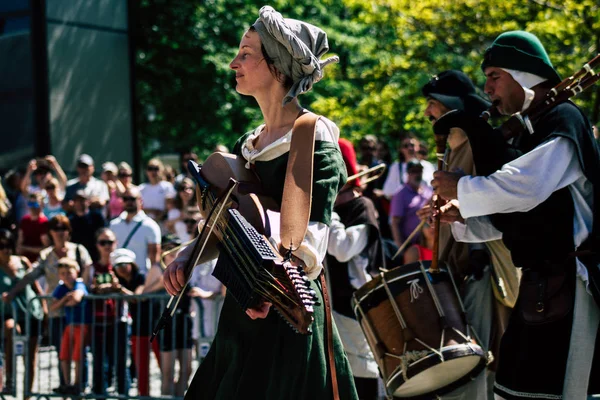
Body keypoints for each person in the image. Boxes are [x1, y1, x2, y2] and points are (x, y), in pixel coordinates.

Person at [163, 6, 358, 399]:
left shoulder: (312, 136)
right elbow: (233, 225)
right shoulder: (248, 144)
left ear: (279, 68)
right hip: (243, 304)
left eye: (246, 53)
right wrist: (189, 255)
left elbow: (310, 237)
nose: (234, 62)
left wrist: (273, 288)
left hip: (288, 309)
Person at [431, 31, 600, 399]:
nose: (487, 88)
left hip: (572, 285)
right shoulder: (529, 131)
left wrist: (461, 187)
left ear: (524, 74)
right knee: (515, 391)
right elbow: (520, 217)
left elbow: (526, 188)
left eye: (495, 76)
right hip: (539, 285)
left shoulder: (563, 118)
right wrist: (463, 216)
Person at [421, 69, 517, 399]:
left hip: (479, 270)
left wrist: (459, 213)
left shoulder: (480, 145)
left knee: (474, 362)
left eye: (432, 104)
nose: (426, 113)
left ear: (450, 106)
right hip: (455, 268)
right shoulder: (449, 149)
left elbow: (498, 211)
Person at [6, 215, 92, 391]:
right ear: (50, 232)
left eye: (63, 228)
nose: (60, 232)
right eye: (56, 229)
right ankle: (65, 387)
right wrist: (13, 292)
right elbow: (31, 276)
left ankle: (80, 388)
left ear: (69, 231)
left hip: (78, 311)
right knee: (63, 353)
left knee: (79, 353)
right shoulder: (46, 255)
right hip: (57, 311)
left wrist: (81, 290)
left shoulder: (78, 250)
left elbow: (88, 273)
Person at [326, 138, 382, 399]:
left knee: (362, 370)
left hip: (356, 304)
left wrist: (328, 213)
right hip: (334, 304)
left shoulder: (363, 206)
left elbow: (343, 248)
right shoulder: (332, 211)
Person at [84, 227, 129, 396]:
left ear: (116, 244)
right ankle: (99, 394)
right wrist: (96, 290)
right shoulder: (91, 268)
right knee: (99, 363)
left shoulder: (122, 265)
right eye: (103, 242)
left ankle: (123, 394)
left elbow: (130, 288)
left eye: (110, 242)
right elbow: (86, 290)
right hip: (98, 320)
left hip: (119, 320)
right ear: (97, 245)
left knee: (120, 362)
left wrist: (116, 288)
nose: (107, 246)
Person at [0, 229, 45, 394]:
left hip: (30, 311)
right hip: (8, 313)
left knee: (31, 357)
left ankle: (27, 394)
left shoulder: (22, 261)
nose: (5, 250)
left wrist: (44, 309)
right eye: (1, 246)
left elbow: (36, 287)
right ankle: (10, 381)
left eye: (8, 246)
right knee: (11, 329)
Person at [111, 248, 159, 397]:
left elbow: (137, 297)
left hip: (155, 327)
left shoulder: (141, 277)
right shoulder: (119, 281)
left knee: (163, 365)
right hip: (139, 329)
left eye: (125, 264)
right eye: (118, 266)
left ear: (132, 264)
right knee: (141, 368)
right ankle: (144, 395)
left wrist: (119, 289)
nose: (122, 268)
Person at [50, 258, 91, 395]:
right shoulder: (61, 287)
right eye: (62, 273)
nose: (66, 276)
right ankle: (67, 384)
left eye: (69, 272)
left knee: (78, 355)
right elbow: (53, 306)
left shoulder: (79, 284)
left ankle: (78, 384)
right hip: (69, 325)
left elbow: (76, 299)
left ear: (76, 272)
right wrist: (64, 299)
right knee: (64, 354)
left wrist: (67, 300)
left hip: (82, 325)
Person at [109, 186, 162, 274]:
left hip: (141, 277)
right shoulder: (114, 224)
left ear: (140, 201)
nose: (129, 202)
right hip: (117, 275)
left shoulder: (150, 225)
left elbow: (154, 258)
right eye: (125, 199)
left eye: (132, 199)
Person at [390, 159, 432, 249]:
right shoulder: (400, 194)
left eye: (419, 171)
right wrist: (400, 247)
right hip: (410, 245)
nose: (417, 174)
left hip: (427, 243)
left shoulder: (427, 191)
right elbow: (395, 223)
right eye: (414, 171)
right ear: (408, 173)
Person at [139, 158, 176, 223]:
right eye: (150, 168)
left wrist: (157, 218)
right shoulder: (141, 188)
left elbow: (170, 207)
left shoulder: (167, 186)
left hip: (163, 225)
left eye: (156, 169)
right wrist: (152, 211)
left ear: (161, 170)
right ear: (146, 171)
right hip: (145, 224)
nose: (153, 172)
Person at [16, 192, 50, 262]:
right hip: (24, 260)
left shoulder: (44, 223)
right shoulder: (24, 220)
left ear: (42, 204)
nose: (32, 207)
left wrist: (26, 248)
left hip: (39, 261)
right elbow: (20, 241)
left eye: (35, 204)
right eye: (30, 204)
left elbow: (46, 248)